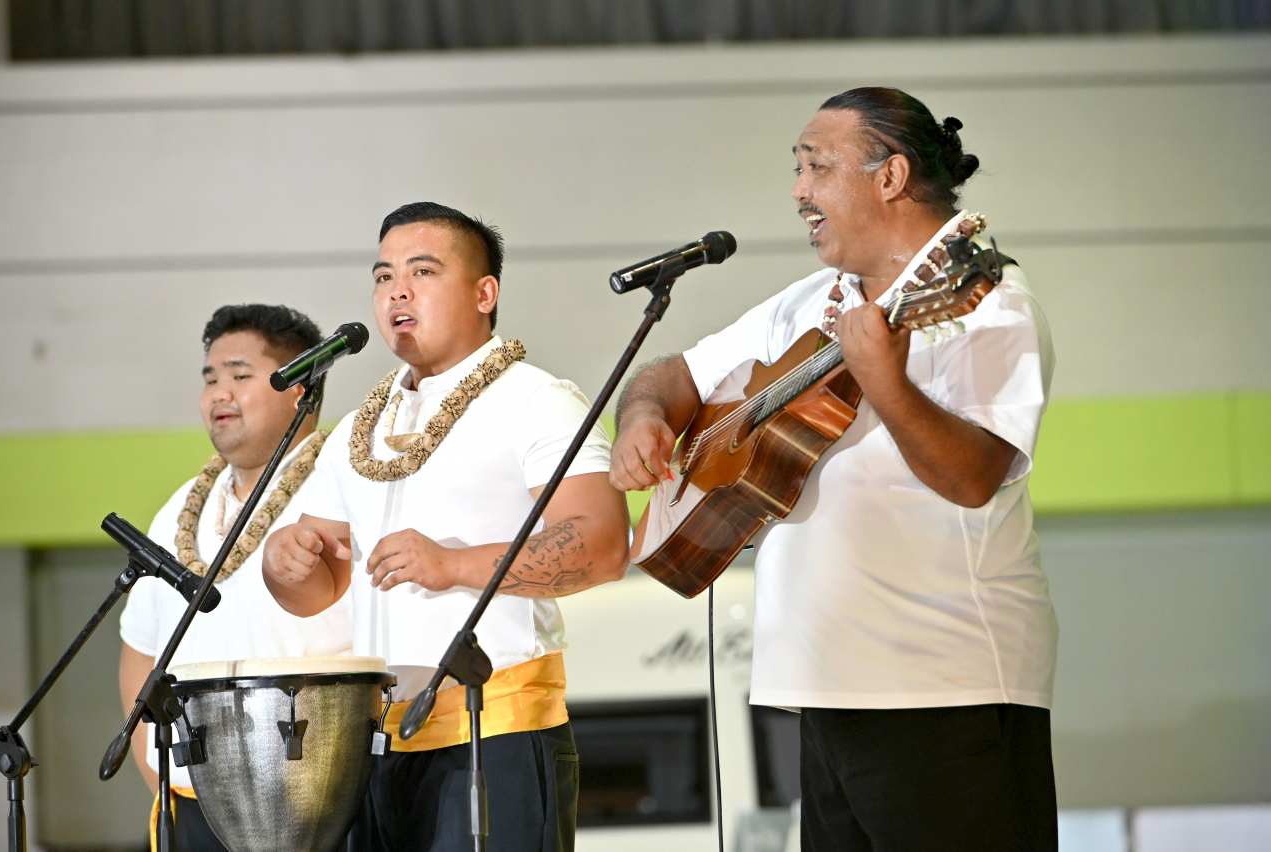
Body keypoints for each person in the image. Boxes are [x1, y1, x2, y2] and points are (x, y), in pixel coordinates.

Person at [610, 87, 1059, 852]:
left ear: (890, 177)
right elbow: (671, 373)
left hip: (944, 692)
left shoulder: (988, 305)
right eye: (797, 170)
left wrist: (884, 378)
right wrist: (644, 418)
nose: (798, 191)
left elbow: (973, 476)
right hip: (822, 691)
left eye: (816, 167)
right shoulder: (810, 302)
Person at [262, 202, 631, 852]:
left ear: (485, 293)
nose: (396, 291)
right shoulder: (357, 429)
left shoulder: (536, 399)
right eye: (382, 277)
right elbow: (318, 587)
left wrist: (453, 564)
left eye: (422, 271)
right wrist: (284, 563)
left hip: (498, 735)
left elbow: (601, 544)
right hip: (376, 742)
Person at [118, 304, 353, 851]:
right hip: (193, 802)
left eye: (240, 376)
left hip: (322, 802)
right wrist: (167, 785)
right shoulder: (179, 509)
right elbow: (141, 655)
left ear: (299, 388)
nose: (219, 393)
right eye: (210, 378)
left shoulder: (342, 487)